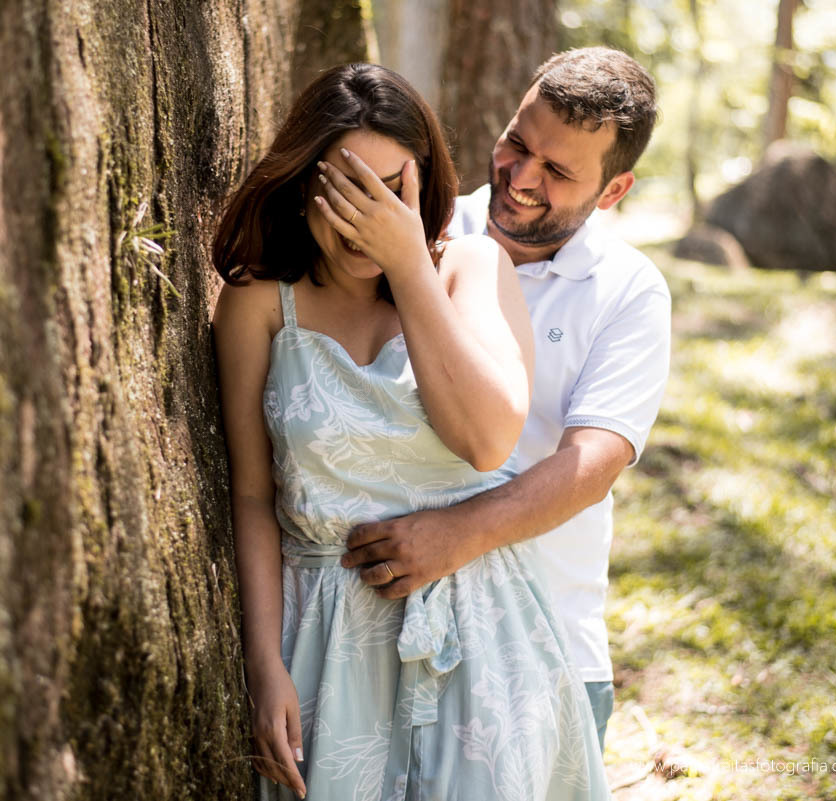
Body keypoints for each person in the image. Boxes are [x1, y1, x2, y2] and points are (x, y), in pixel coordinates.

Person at [212, 63, 610, 800]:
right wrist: (264, 663)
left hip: (477, 636)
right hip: (326, 643)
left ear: (425, 186)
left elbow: (488, 439)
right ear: (305, 187)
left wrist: (408, 265)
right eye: (346, 189)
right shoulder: (259, 304)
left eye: (391, 190)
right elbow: (251, 496)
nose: (367, 218)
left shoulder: (472, 267)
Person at [339, 47, 672, 752]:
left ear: (613, 192)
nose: (520, 177)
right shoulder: (416, 228)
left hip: (545, 642)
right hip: (373, 628)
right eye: (517, 143)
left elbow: (594, 462)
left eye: (557, 171)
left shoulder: (629, 292)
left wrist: (456, 534)